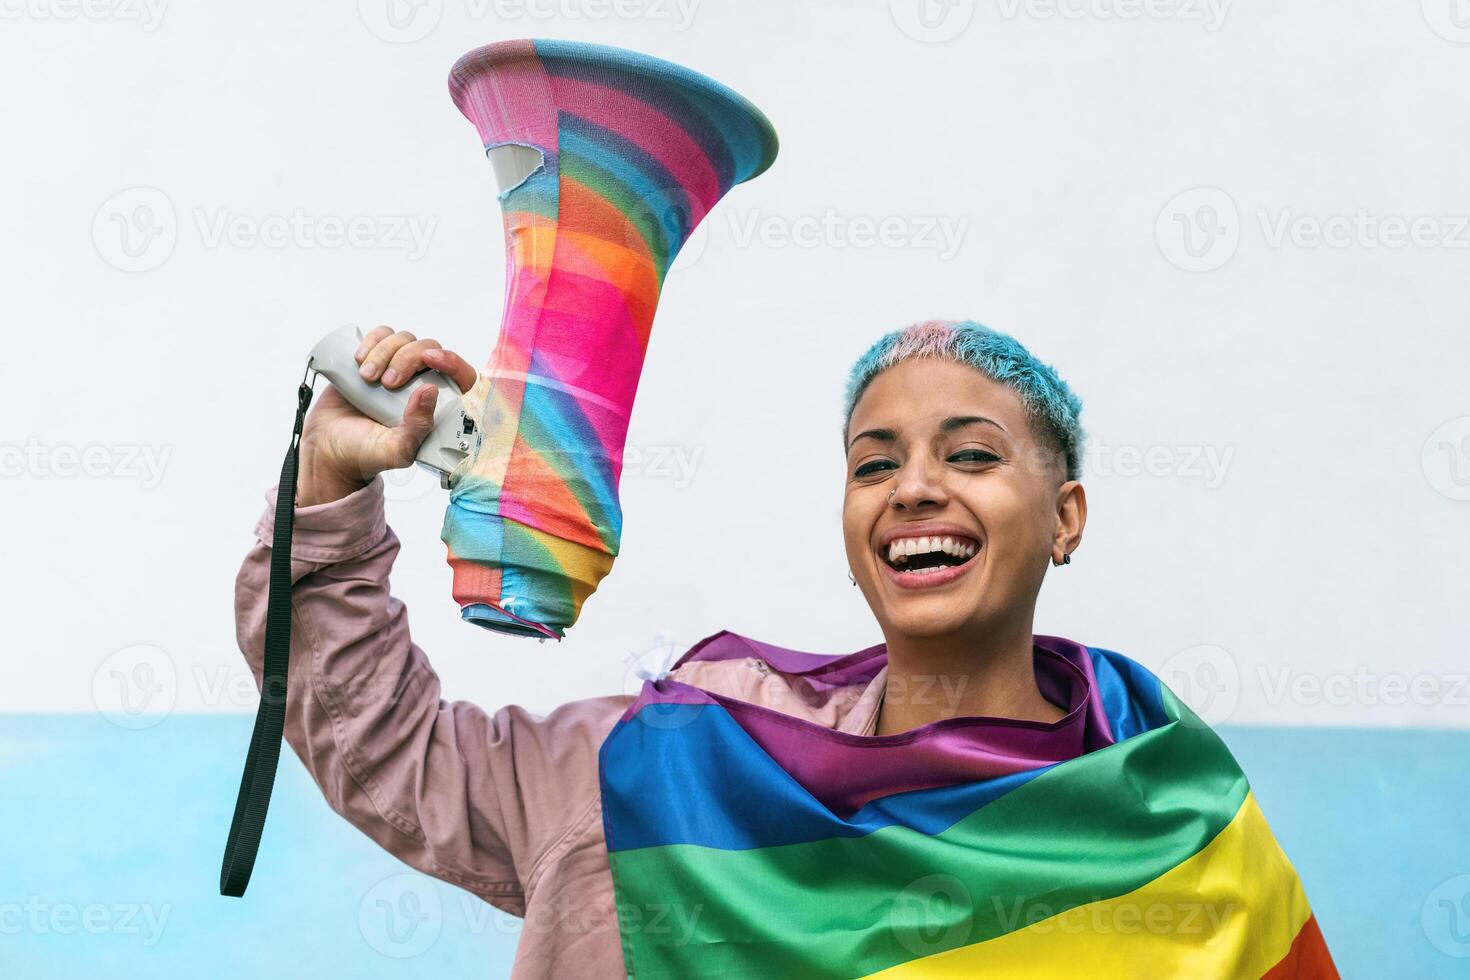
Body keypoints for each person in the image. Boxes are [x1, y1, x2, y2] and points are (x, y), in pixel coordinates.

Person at [236, 319, 1337, 978]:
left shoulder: (1176, 823)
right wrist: (330, 480)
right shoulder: (681, 770)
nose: (914, 486)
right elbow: (400, 753)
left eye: (972, 453)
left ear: (1067, 515)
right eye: (873, 463)